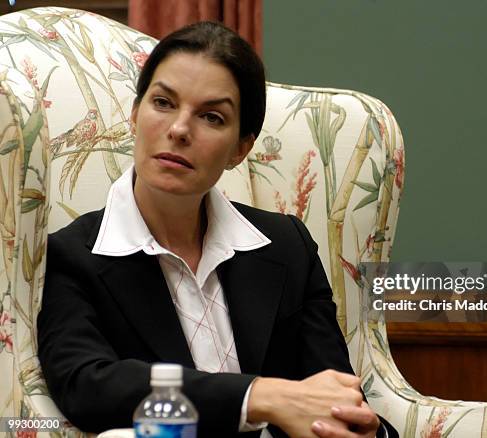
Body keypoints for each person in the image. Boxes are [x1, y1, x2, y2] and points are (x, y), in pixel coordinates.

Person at [37, 21, 397, 438]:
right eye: (163, 102)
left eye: (211, 116)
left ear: (240, 148)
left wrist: (367, 431)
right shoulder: (72, 255)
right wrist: (259, 396)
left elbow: (333, 395)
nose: (179, 130)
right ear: (135, 115)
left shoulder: (287, 246)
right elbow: (88, 386)